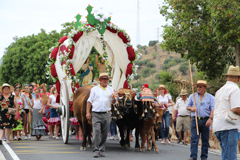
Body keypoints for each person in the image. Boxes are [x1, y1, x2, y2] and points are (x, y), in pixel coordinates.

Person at [213, 66, 240, 160]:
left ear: (226, 77)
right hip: (229, 127)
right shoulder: (235, 89)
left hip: (218, 126)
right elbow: (236, 109)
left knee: (226, 155)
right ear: (239, 79)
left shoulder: (219, 91)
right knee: (230, 157)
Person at [86, 72, 115, 158]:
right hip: (96, 113)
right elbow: (89, 101)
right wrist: (88, 112)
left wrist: (114, 99)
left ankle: (102, 149)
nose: (106, 81)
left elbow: (113, 102)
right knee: (96, 132)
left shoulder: (111, 89)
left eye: (107, 79)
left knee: (105, 133)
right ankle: (96, 150)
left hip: (106, 113)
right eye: (104, 79)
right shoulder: (94, 89)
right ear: (100, 80)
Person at [186, 80, 214, 160]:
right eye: (197, 86)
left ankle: (204, 157)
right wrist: (192, 108)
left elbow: (213, 109)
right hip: (195, 120)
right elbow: (187, 107)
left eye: (200, 87)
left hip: (206, 120)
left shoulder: (211, 97)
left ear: (205, 88)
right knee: (194, 139)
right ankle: (193, 157)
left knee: (205, 140)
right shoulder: (192, 96)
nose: (198, 88)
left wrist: (210, 119)